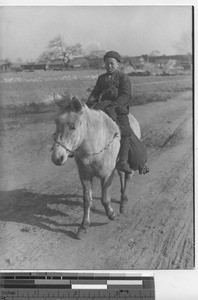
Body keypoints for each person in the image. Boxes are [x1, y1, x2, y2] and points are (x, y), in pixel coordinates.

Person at [87, 50, 134, 174]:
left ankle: (123, 161)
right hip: (102, 106)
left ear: (118, 64)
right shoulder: (101, 78)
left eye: (112, 63)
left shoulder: (123, 77)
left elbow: (126, 95)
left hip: (118, 108)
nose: (109, 66)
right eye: (107, 64)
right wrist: (89, 103)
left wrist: (114, 105)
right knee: (87, 124)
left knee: (125, 131)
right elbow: (95, 93)